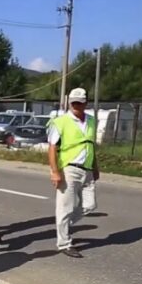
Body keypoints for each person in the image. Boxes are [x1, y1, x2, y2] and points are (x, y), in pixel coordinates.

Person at [48, 87, 99, 258]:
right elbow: (52, 148)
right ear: (69, 103)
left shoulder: (91, 120)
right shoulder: (60, 121)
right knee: (65, 207)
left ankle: (63, 226)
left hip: (87, 168)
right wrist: (55, 172)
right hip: (69, 168)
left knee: (89, 205)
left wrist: (95, 167)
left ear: (86, 103)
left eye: (80, 103)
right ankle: (64, 243)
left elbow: (90, 145)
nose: (76, 106)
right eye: (73, 103)